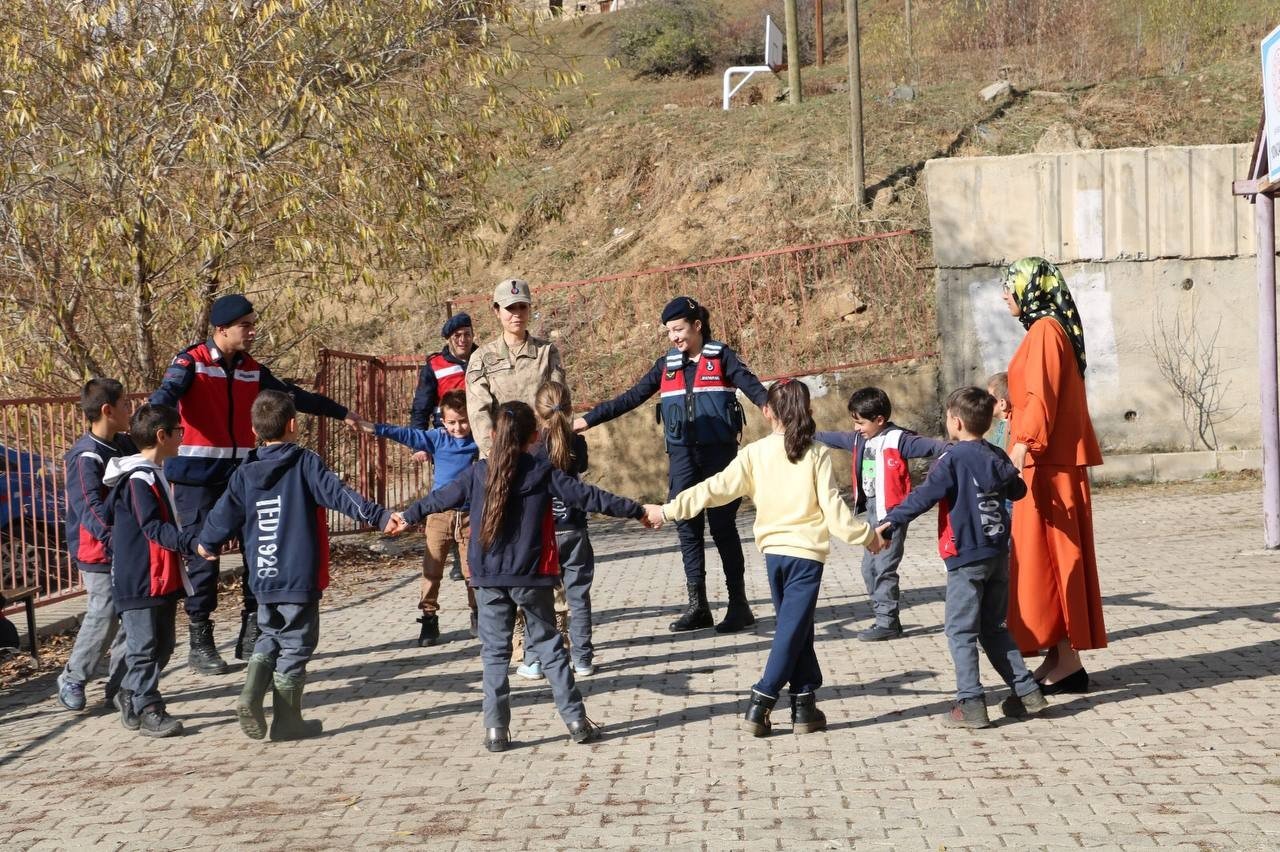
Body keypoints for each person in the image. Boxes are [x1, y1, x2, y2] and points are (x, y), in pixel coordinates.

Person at [391, 401, 660, 753]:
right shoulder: (541, 470)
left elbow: (439, 498)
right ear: (535, 437)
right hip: (532, 575)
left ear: (491, 435)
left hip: (487, 577)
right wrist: (637, 510)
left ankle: (495, 731)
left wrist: (406, 515)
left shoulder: (477, 473)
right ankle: (576, 721)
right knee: (549, 647)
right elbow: (589, 497)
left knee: (494, 654)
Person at [651, 379, 883, 736]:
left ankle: (805, 704)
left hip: (774, 556)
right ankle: (762, 696)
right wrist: (867, 537)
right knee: (791, 631)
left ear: (767, 411)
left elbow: (713, 489)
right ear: (809, 411)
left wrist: (669, 510)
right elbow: (836, 513)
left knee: (797, 629)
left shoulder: (755, 453)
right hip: (805, 557)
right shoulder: (816, 453)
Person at [150, 293, 361, 676]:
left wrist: (341, 412)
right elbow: (165, 397)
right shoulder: (190, 362)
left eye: (252, 323)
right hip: (196, 476)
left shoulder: (251, 368)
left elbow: (290, 397)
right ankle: (201, 637)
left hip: (243, 473)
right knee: (202, 555)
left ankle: (253, 628)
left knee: (257, 549)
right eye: (245, 325)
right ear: (221, 330)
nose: (252, 331)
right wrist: (146, 437)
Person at [197, 392, 396, 741]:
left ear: (253, 429)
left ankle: (250, 693)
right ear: (293, 424)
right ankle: (287, 720)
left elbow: (222, 513)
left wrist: (207, 542)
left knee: (270, 633)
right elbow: (340, 494)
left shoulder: (245, 471)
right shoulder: (305, 463)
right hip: (298, 575)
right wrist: (378, 516)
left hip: (262, 574)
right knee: (297, 644)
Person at [574, 296, 767, 634]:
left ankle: (739, 604)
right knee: (686, 527)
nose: (674, 337)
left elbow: (754, 389)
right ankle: (699, 606)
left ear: (697, 325)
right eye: (669, 332)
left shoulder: (721, 357)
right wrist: (588, 420)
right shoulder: (666, 365)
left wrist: (776, 409)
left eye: (678, 329)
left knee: (723, 528)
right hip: (682, 458)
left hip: (719, 458)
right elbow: (630, 397)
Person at [875, 387, 1049, 729]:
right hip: (998, 554)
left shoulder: (951, 459)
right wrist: (1006, 472)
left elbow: (924, 496)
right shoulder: (995, 453)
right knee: (995, 628)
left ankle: (970, 703)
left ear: (955, 422)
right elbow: (1018, 491)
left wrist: (889, 522)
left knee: (960, 632)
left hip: (965, 557)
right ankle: (1028, 693)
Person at [1000, 257, 1106, 693]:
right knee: (1049, 558)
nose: (1004, 295)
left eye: (1010, 286)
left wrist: (1022, 446)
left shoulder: (1045, 331)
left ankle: (1069, 661)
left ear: (1031, 289)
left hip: (1044, 464)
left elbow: (1040, 394)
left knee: (1050, 559)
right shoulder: (1051, 328)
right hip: (1049, 460)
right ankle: (1061, 657)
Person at [815, 387, 946, 641]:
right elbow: (831, 437)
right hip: (871, 513)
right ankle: (882, 616)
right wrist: (805, 432)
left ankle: (887, 621)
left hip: (892, 515)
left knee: (884, 567)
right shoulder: (859, 440)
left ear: (879, 420)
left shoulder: (899, 440)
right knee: (868, 569)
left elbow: (937, 448)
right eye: (854, 422)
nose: (856, 428)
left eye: (860, 422)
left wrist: (945, 468)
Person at [103, 404, 199, 738]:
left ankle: (130, 692)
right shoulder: (137, 479)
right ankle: (149, 707)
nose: (181, 437)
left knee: (165, 644)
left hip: (163, 576)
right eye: (179, 431)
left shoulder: (154, 472)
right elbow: (152, 527)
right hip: (140, 578)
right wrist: (190, 543)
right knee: (143, 647)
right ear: (163, 435)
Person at [356, 389, 479, 646]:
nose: (458, 427)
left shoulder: (479, 440)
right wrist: (376, 428)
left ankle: (478, 615)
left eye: (463, 420)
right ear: (443, 422)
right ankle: (429, 618)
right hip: (438, 515)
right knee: (432, 569)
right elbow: (407, 434)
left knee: (473, 571)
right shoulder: (438, 439)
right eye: (452, 422)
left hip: (470, 514)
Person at [56, 379, 136, 713]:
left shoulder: (126, 445)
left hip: (128, 547)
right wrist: (115, 541)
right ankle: (73, 677)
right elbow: (90, 509)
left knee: (130, 617)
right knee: (104, 612)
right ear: (108, 410)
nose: (130, 410)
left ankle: (119, 685)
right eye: (126, 404)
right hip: (98, 551)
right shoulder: (84, 457)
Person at [516, 381, 597, 679]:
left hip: (542, 531)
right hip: (574, 527)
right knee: (579, 597)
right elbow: (582, 466)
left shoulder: (532, 445)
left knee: (538, 598)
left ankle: (535, 660)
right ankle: (583, 659)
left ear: (538, 412)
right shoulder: (577, 442)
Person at [466, 279, 564, 458]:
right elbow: (478, 412)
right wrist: (494, 453)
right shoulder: (481, 358)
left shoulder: (547, 352)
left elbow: (558, 403)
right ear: (496, 311)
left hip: (541, 450)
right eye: (510, 308)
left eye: (522, 306)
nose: (517, 314)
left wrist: (557, 446)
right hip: (499, 454)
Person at [410, 312, 476, 431]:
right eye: (457, 335)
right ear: (448, 339)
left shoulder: (485, 359)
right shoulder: (434, 366)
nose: (463, 340)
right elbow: (420, 409)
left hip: (480, 431)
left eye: (467, 334)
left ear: (473, 335)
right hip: (448, 434)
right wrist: (419, 446)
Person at [987, 372, 1012, 450]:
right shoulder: (1001, 424)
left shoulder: (1010, 429)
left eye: (989, 398)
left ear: (1002, 404)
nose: (985, 401)